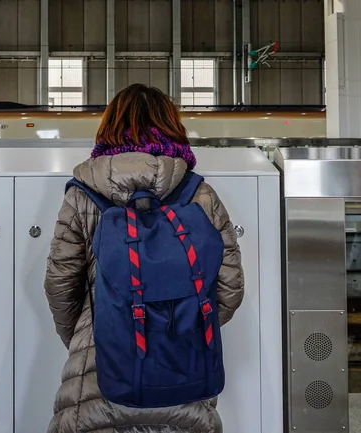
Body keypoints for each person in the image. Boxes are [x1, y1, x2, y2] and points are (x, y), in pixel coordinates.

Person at [43, 83, 245, 433]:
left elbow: (59, 285)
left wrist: (90, 333)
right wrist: (182, 322)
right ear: (173, 127)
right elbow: (229, 287)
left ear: (108, 128)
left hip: (98, 375)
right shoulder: (199, 194)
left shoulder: (82, 194)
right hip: (184, 369)